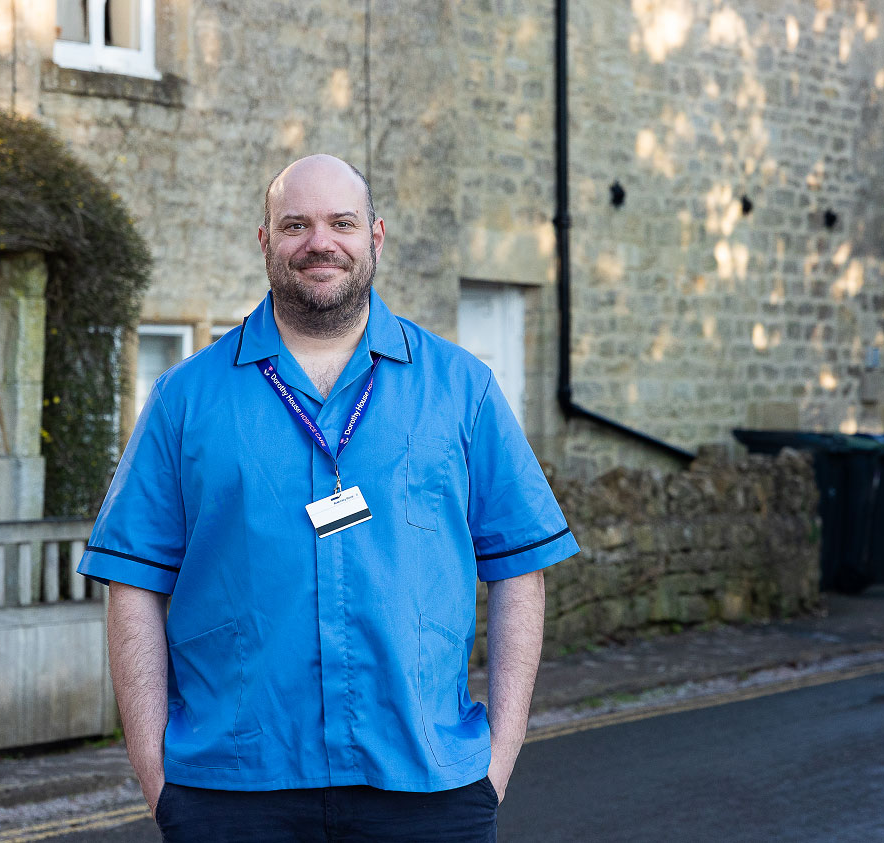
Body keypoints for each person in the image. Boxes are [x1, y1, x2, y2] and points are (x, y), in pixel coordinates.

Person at [78, 154, 579, 842]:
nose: (320, 242)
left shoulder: (461, 387)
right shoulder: (184, 398)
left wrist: (498, 758)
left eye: (341, 222)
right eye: (295, 224)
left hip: (427, 784)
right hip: (231, 789)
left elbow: (519, 567)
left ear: (375, 237)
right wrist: (153, 772)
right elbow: (131, 581)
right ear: (265, 241)